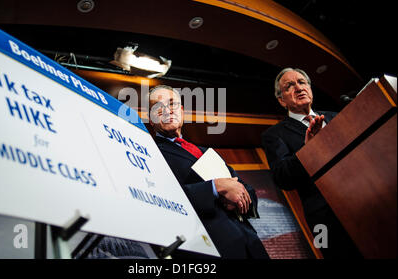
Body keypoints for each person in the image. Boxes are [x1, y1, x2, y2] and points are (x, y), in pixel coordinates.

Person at [148, 85, 269, 259]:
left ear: (181, 111)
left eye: (172, 104)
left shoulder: (206, 152)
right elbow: (161, 198)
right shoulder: (151, 152)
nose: (167, 110)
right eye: (158, 108)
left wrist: (238, 196)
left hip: (251, 244)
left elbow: (245, 188)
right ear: (151, 120)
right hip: (211, 249)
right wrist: (215, 187)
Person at [261, 67, 362, 259]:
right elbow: (282, 177)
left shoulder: (337, 117)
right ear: (282, 100)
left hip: (365, 198)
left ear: (310, 89)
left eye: (302, 82)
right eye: (289, 86)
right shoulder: (274, 135)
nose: (298, 88)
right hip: (328, 219)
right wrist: (309, 149)